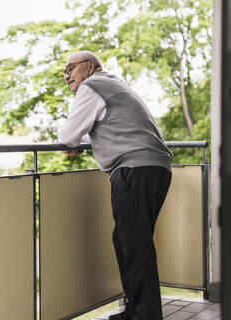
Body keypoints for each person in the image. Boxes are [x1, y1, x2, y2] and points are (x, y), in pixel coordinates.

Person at [58, 51, 173, 320]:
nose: (66, 75)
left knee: (133, 243)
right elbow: (103, 124)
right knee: (127, 240)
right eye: (64, 71)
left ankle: (145, 315)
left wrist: (73, 142)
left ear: (91, 65)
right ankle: (136, 309)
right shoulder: (114, 84)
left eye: (71, 67)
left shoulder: (92, 85)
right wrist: (81, 141)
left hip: (133, 169)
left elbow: (67, 135)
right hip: (153, 168)